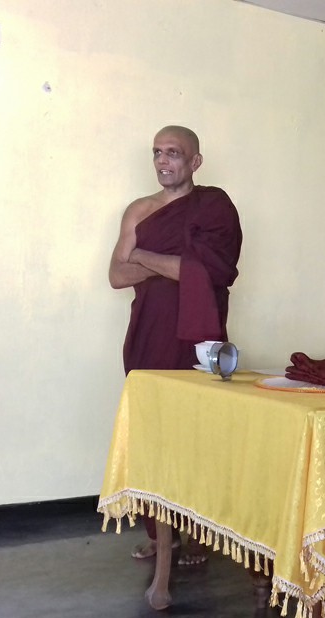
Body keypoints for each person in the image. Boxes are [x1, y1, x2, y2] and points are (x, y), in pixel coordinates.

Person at [109, 125, 242, 561]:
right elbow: (116, 275)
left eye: (173, 153)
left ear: (195, 161)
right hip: (149, 333)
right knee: (153, 431)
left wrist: (142, 256)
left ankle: (198, 532)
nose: (163, 161)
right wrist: (175, 264)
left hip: (198, 339)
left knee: (197, 431)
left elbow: (210, 271)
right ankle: (159, 533)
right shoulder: (139, 210)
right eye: (157, 153)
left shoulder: (214, 206)